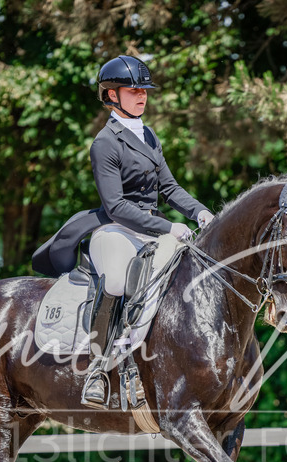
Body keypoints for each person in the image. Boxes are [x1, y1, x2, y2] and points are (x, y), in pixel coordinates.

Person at [78, 54, 213, 408]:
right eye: (134, 90)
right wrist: (169, 226)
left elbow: (168, 188)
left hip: (153, 230)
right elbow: (116, 206)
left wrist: (200, 213)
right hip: (117, 230)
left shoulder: (149, 135)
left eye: (145, 90)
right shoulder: (105, 143)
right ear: (111, 95)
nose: (142, 96)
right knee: (119, 282)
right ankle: (98, 367)